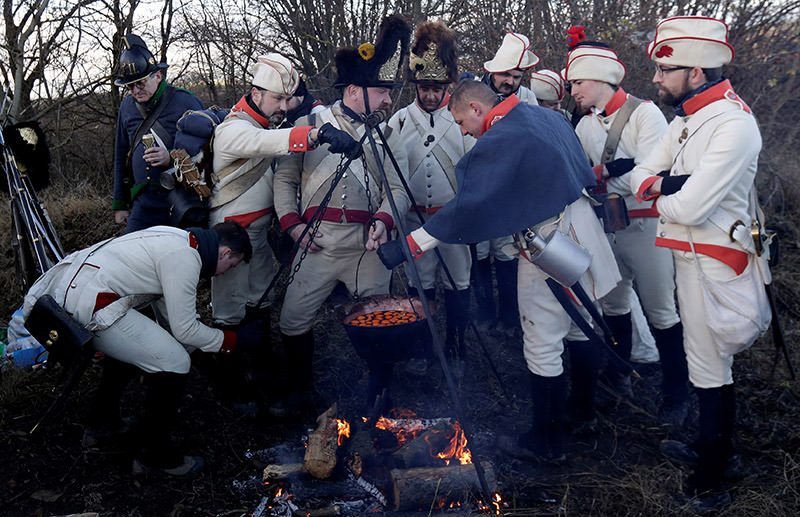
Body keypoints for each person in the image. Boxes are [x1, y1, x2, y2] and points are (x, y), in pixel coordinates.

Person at [378, 79, 620, 463]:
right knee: (581, 327)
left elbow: (469, 206)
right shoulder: (546, 116)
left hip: (549, 240)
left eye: (460, 121)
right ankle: (582, 412)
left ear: (476, 108)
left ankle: (547, 441)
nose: (462, 130)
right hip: (585, 227)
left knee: (541, 344)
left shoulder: (500, 138)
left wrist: (408, 246)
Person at [629, 16, 766, 511]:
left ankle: (712, 474)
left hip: (715, 261)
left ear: (697, 72)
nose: (657, 79)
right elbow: (641, 174)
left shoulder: (733, 124)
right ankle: (715, 451)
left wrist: (661, 191)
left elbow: (688, 209)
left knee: (711, 362)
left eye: (667, 71)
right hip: (687, 256)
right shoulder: (688, 118)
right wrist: (666, 184)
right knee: (702, 359)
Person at [22, 222, 262, 477]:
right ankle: (155, 456)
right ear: (225, 253)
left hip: (66, 295)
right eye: (232, 265)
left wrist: (212, 363)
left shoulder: (177, 238)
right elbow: (184, 330)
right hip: (84, 308)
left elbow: (170, 318)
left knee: (136, 348)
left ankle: (102, 423)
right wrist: (235, 341)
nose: (225, 272)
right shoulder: (187, 258)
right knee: (175, 362)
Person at [272, 15, 412, 415]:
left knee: (381, 322)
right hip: (316, 243)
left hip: (367, 247)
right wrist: (292, 225)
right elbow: (285, 181)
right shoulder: (308, 125)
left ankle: (379, 396)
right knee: (293, 321)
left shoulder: (386, 133)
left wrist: (384, 220)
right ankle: (301, 393)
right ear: (354, 91)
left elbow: (398, 190)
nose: (388, 100)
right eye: (381, 92)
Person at [564, 42, 689, 425]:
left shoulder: (645, 114)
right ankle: (620, 376)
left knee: (662, 312)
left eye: (578, 82)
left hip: (644, 224)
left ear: (601, 78)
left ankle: (676, 395)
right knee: (615, 306)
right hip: (605, 225)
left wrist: (603, 173)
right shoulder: (584, 123)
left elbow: (654, 171)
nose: (574, 92)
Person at [387, 21, 474, 370]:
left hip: (453, 219)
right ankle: (421, 348)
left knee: (460, 284)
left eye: (437, 88)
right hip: (414, 218)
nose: (431, 95)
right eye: (425, 87)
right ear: (416, 86)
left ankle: (457, 348)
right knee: (419, 284)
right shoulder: (400, 121)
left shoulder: (464, 118)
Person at [469, 31, 540, 334]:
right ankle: (484, 311)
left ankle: (510, 317)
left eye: (516, 75)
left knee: (507, 252)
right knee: (479, 251)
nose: (509, 81)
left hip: (512, 189)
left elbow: (536, 138)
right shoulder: (472, 95)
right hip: (479, 186)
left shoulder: (527, 99)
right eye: (504, 74)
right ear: (491, 72)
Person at [112, 34, 203, 233]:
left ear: (158, 76)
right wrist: (119, 204)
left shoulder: (185, 101)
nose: (135, 90)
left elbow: (207, 150)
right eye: (130, 86)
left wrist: (171, 157)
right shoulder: (127, 106)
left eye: (141, 83)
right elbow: (120, 155)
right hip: (143, 201)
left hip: (181, 198)